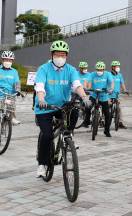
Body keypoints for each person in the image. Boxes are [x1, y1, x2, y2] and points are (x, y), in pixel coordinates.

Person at [34, 40, 91, 177]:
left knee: (75, 110)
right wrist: (41, 100)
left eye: (63, 55)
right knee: (47, 135)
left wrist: (84, 98)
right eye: (57, 54)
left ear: (67, 56)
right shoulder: (43, 69)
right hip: (45, 107)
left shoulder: (71, 69)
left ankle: (68, 135)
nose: (60, 57)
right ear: (51, 54)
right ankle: (42, 164)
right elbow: (40, 86)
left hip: (62, 106)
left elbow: (77, 85)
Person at [0, 51, 22, 142]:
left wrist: (18, 90)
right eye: (6, 59)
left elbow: (17, 82)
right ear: (2, 60)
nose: (8, 61)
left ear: (12, 61)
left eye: (10, 60)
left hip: (10, 95)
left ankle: (12, 118)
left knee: (11, 106)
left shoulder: (14, 72)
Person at [83, 61, 114, 137]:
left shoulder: (107, 74)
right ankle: (87, 121)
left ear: (104, 69)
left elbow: (112, 82)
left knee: (108, 114)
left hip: (103, 96)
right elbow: (87, 80)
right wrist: (84, 86)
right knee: (87, 106)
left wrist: (111, 89)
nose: (99, 71)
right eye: (98, 70)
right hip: (94, 95)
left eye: (101, 70)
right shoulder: (92, 74)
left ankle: (107, 131)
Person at [109, 61, 128, 129]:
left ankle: (120, 122)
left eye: (118, 66)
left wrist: (125, 90)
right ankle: (103, 121)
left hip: (117, 94)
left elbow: (122, 83)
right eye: (117, 66)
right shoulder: (109, 74)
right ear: (113, 67)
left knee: (119, 108)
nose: (118, 68)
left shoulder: (120, 75)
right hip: (109, 94)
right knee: (107, 107)